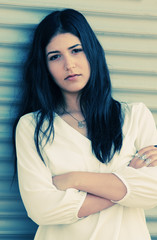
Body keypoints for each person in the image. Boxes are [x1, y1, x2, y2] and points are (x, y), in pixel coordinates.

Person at [14, 8, 157, 240]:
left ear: (91, 52)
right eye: (55, 56)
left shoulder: (135, 116)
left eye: (76, 50)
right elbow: (42, 209)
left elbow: (153, 192)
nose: (69, 64)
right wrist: (127, 181)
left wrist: (74, 180)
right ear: (45, 67)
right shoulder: (32, 127)